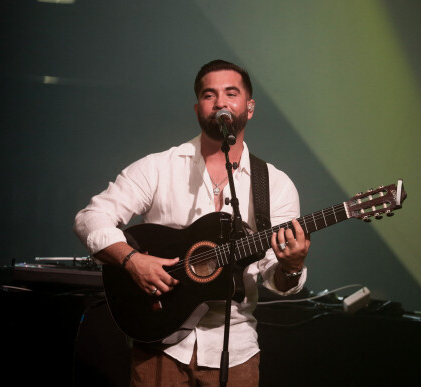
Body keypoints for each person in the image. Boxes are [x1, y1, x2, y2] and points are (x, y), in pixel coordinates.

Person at [74, 59, 310, 386]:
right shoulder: (159, 167)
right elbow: (90, 218)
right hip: (159, 344)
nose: (221, 102)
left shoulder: (274, 184)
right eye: (209, 95)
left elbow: (276, 278)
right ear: (198, 108)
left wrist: (292, 266)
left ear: (249, 107)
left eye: (231, 93)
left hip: (235, 350)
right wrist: (132, 261)